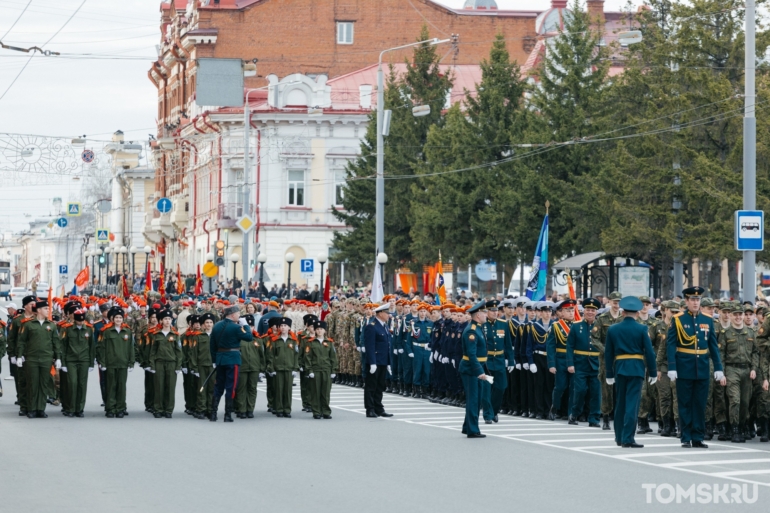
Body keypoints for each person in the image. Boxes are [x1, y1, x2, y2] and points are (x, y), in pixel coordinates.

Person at [666, 286, 724, 448]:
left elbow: (713, 345)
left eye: (698, 299)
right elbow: (671, 344)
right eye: (692, 299)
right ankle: (685, 436)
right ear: (686, 301)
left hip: (703, 368)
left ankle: (698, 436)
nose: (695, 302)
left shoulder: (707, 319)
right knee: (684, 403)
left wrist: (718, 367)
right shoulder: (678, 319)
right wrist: (672, 366)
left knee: (700, 403)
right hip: (684, 367)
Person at [604, 296, 657, 448]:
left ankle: (619, 437)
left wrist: (609, 373)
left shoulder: (613, 329)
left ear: (622, 313)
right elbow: (649, 352)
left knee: (620, 404)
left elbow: (608, 353)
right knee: (632, 405)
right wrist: (653, 372)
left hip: (620, 367)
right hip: (636, 368)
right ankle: (628, 438)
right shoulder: (642, 329)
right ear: (637, 313)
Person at [718, 302, 758, 443]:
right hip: (731, 369)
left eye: (740, 314)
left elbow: (755, 352)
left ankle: (741, 427)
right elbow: (721, 355)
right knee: (734, 400)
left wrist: (753, 368)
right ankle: (735, 429)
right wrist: (722, 373)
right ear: (731, 316)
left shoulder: (751, 333)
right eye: (735, 314)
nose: (738, 317)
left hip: (747, 370)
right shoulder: (726, 333)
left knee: (745, 402)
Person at [16, 299, 61, 418]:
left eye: (48, 308)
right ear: (39, 310)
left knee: (43, 384)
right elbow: (21, 342)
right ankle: (31, 409)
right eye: (46, 309)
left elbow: (56, 343)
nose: (48, 311)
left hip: (46, 359)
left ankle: (41, 408)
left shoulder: (51, 325)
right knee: (32, 383)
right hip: (32, 359)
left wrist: (58, 358)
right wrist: (19, 356)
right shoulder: (28, 324)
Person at [210, 305, 252, 422]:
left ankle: (213, 413)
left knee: (218, 386)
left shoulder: (217, 325)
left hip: (220, 359)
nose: (239, 316)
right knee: (231, 387)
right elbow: (249, 337)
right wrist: (246, 325)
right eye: (238, 313)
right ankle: (227, 415)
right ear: (232, 314)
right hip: (232, 359)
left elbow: (212, 345)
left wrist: (214, 360)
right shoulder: (236, 327)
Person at [565, 298, 602, 427]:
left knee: (596, 393)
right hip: (580, 364)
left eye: (593, 310)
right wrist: (570, 363)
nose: (590, 312)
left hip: (597, 364)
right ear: (583, 311)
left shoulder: (601, 327)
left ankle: (594, 418)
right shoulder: (576, 326)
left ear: (596, 312)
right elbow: (569, 346)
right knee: (580, 391)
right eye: (588, 310)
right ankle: (574, 414)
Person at [480, 300, 514, 423]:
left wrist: (511, 361)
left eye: (496, 311)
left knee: (501, 387)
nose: (495, 313)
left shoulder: (503, 324)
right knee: (487, 389)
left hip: (499, 360)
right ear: (486, 311)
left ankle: (494, 411)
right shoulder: (482, 325)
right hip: (487, 361)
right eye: (492, 311)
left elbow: (508, 344)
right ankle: (488, 415)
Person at [97, 307, 135, 418]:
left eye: (120, 317)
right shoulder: (106, 331)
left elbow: (131, 348)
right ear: (113, 319)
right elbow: (102, 348)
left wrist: (131, 363)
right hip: (110, 363)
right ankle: (110, 408)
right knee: (111, 386)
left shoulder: (127, 331)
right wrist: (102, 363)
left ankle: (120, 408)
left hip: (123, 363)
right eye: (116, 317)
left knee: (121, 387)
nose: (118, 319)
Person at [460, 301, 489, 438]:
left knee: (476, 398)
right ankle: (473, 429)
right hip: (471, 369)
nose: (486, 315)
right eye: (484, 313)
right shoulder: (472, 330)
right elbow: (471, 354)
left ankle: (468, 426)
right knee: (474, 399)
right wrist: (479, 371)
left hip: (476, 368)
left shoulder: (477, 327)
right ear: (478, 315)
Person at [59, 308, 95, 417]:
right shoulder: (67, 329)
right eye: (79, 321)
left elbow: (92, 347)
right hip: (71, 360)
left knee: (82, 385)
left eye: (82, 321)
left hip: (84, 360)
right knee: (72, 384)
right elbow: (63, 346)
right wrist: (63, 363)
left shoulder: (89, 329)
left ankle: (79, 409)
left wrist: (91, 363)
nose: (81, 323)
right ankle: (71, 408)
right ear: (75, 320)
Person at [148, 309, 182, 418]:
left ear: (172, 320)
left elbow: (179, 352)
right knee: (159, 387)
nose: (167, 321)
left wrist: (178, 366)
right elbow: (153, 351)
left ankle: (168, 410)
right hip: (159, 363)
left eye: (169, 319)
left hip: (172, 363)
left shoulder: (176, 335)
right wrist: (152, 365)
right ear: (161, 321)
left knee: (170, 387)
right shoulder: (156, 334)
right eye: (165, 319)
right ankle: (158, 409)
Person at [265, 317, 299, 418]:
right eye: (281, 326)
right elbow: (271, 355)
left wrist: (295, 368)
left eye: (285, 326)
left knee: (288, 390)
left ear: (289, 327)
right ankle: (279, 409)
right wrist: (271, 368)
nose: (283, 327)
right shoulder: (275, 340)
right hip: (278, 368)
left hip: (289, 368)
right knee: (279, 390)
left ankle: (287, 409)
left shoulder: (293, 340)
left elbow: (296, 355)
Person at [363, 303, 393, 418]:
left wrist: (389, 362)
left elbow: (387, 346)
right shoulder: (372, 326)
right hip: (374, 362)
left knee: (380, 386)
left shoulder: (384, 326)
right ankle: (370, 409)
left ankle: (378, 408)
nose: (388, 315)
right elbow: (370, 346)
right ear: (380, 313)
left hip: (383, 361)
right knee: (371, 386)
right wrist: (372, 363)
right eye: (386, 313)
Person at [305, 320, 338, 419]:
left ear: (325, 331)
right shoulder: (310, 343)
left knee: (326, 392)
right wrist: (309, 371)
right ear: (315, 331)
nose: (319, 331)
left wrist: (333, 371)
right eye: (317, 329)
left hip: (326, 370)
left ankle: (326, 411)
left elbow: (333, 358)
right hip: (315, 370)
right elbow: (308, 358)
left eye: (321, 329)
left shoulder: (329, 343)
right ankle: (316, 411)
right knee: (315, 391)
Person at [235, 314, 266, 419]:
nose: (250, 328)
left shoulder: (258, 340)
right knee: (241, 388)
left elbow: (262, 356)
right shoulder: (238, 339)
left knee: (252, 388)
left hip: (254, 367)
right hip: (242, 367)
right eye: (248, 326)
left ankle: (250, 409)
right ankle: (242, 409)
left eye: (252, 326)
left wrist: (262, 369)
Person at [189, 312, 216, 419]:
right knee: (201, 388)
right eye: (207, 322)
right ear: (203, 324)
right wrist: (194, 367)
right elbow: (193, 353)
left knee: (212, 389)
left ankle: (210, 409)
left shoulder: (216, 336)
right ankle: (201, 409)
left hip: (213, 366)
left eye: (211, 322)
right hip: (201, 365)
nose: (209, 324)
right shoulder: (198, 337)